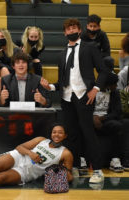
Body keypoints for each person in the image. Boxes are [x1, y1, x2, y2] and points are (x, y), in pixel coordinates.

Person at [40, 18, 109, 184]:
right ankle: (75, 166)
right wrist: (50, 87)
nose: (71, 31)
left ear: (79, 30)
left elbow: (104, 71)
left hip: (84, 96)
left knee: (88, 133)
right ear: (65, 33)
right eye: (68, 29)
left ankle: (98, 170)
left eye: (74, 28)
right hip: (67, 98)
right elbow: (62, 81)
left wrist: (95, 89)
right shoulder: (62, 54)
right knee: (72, 135)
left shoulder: (90, 47)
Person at [0, 123, 73, 193]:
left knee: (1, 177)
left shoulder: (66, 153)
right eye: (54, 132)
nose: (56, 135)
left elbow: (69, 176)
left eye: (60, 133)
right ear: (51, 133)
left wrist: (61, 172)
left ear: (65, 135)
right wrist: (31, 154)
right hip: (20, 157)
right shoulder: (41, 140)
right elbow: (20, 147)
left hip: (27, 172)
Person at [91, 72, 129, 173]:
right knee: (82, 125)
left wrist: (102, 118)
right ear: (107, 84)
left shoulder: (114, 93)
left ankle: (115, 159)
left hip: (106, 120)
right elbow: (84, 108)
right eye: (114, 84)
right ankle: (82, 159)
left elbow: (117, 112)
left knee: (118, 126)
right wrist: (93, 117)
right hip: (90, 119)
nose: (116, 86)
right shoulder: (92, 91)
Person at [0, 28, 21, 96]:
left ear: (7, 37)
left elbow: (15, 68)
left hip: (14, 74)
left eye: (2, 36)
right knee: (3, 70)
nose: (0, 39)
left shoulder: (16, 50)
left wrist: (1, 65)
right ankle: (12, 95)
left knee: (0, 79)